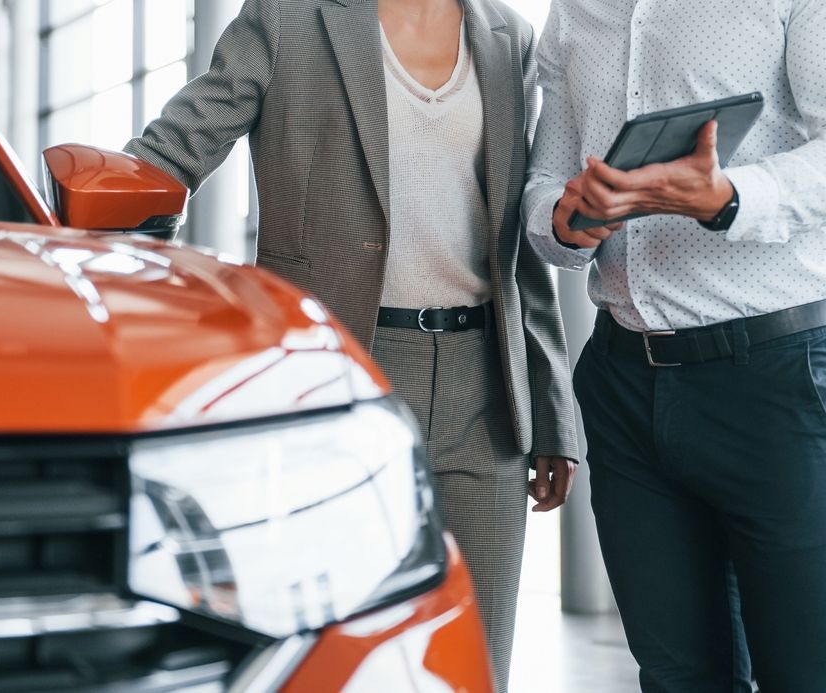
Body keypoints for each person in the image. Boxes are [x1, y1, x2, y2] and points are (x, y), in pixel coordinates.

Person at [125, 0, 580, 688]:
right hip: (338, 377)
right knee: (334, 659)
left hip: (483, 387)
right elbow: (168, 155)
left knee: (479, 662)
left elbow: (516, 245)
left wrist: (551, 412)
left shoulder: (506, 36)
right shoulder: (287, 18)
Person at [523, 1, 826, 690]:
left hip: (776, 383)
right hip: (624, 383)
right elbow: (545, 185)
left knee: (806, 669)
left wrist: (728, 195)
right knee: (675, 675)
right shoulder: (574, 12)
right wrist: (565, 219)